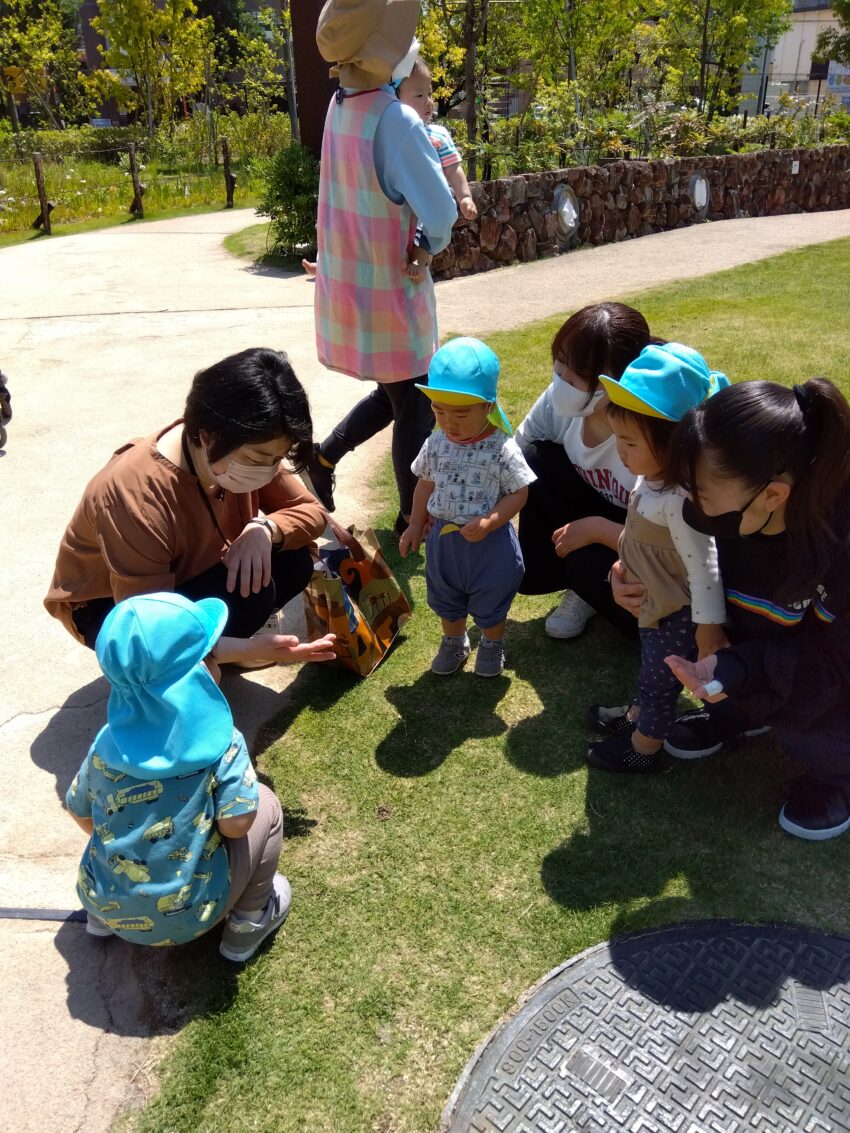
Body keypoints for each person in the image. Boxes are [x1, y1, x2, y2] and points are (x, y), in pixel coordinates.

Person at [612, 378, 850, 841]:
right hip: (771, 654)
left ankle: (837, 778)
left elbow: (832, 667)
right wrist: (625, 572)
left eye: (700, 490)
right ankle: (746, 714)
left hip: (834, 676)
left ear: (772, 494)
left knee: (810, 730)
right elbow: (687, 566)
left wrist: (739, 668)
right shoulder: (732, 511)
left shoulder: (838, 547)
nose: (690, 504)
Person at [45, 347, 336, 669]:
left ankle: (213, 649)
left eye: (276, 459)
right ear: (206, 437)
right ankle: (201, 658)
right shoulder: (135, 498)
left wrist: (264, 529)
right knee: (245, 603)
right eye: (257, 459)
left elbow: (311, 513)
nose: (267, 470)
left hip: (183, 579)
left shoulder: (244, 446)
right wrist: (247, 649)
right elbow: (147, 624)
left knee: (292, 561)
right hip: (112, 608)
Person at [66, 592, 290, 962]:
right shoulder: (222, 744)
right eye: (212, 657)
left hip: (105, 900)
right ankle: (247, 924)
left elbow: (82, 814)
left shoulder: (106, 745)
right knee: (267, 804)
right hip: (192, 915)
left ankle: (102, 918)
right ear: (198, 675)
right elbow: (237, 825)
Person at [308, 1, 458, 534]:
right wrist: (425, 244)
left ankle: (322, 458)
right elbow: (441, 210)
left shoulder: (341, 103)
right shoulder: (394, 118)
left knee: (399, 390)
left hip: (354, 284)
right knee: (414, 400)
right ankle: (409, 518)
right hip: (393, 286)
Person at [583, 344, 730, 773]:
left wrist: (708, 629)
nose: (620, 451)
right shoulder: (652, 481)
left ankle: (644, 747)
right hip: (654, 604)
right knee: (651, 671)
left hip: (678, 614)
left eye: (629, 442)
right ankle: (636, 718)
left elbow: (704, 569)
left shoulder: (680, 500)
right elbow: (637, 535)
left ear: (672, 442)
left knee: (659, 679)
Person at [399, 338, 536, 677]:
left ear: (488, 406)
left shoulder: (501, 448)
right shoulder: (436, 442)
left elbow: (518, 493)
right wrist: (415, 525)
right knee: (446, 593)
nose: (448, 421)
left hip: (490, 544)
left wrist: (491, 520)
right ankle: (454, 640)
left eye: (460, 412)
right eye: (439, 410)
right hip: (445, 541)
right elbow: (425, 483)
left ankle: (492, 643)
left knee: (491, 595)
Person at [514, 302, 652, 639]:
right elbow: (515, 455)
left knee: (585, 565)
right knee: (532, 460)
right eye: (558, 366)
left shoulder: (648, 435)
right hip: (603, 518)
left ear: (612, 384)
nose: (559, 381)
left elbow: (673, 546)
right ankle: (576, 583)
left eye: (573, 377)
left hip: (650, 546)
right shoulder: (562, 401)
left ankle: (589, 586)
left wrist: (597, 530)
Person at [302, 54, 477, 281]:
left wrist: (464, 197)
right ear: (397, 95)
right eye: (419, 95)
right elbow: (442, 214)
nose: (428, 101)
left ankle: (420, 260)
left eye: (430, 94)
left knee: (417, 234)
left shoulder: (437, 134)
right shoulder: (401, 123)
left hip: (420, 208)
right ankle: (327, 262)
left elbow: (454, 168)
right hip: (412, 210)